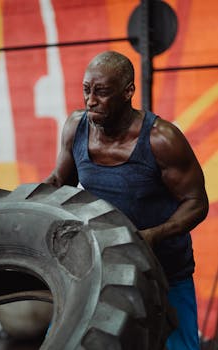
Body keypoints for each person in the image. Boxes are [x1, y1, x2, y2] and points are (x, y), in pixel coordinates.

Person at [45, 51, 209, 350]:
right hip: (101, 266)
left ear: (128, 91)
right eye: (86, 90)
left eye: (102, 92)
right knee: (65, 341)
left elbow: (196, 203)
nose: (90, 100)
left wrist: (152, 236)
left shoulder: (161, 139)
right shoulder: (76, 128)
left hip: (165, 270)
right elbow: (59, 183)